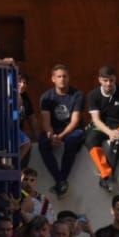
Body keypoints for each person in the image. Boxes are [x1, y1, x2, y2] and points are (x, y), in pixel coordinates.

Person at [84, 65, 119, 191]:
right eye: (105, 80)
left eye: (112, 80)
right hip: (102, 126)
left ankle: (105, 179)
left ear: (115, 79)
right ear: (100, 80)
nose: (109, 84)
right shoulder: (93, 95)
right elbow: (95, 119)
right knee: (90, 139)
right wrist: (109, 132)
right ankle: (107, 173)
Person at [37, 64, 86, 196]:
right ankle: (60, 180)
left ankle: (62, 179)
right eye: (59, 76)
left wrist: (61, 136)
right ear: (53, 79)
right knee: (43, 144)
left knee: (71, 141)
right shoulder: (46, 97)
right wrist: (52, 136)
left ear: (69, 78)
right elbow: (46, 122)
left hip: (73, 130)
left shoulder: (77, 95)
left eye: (65, 76)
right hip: (54, 130)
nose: (62, 79)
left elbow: (75, 121)